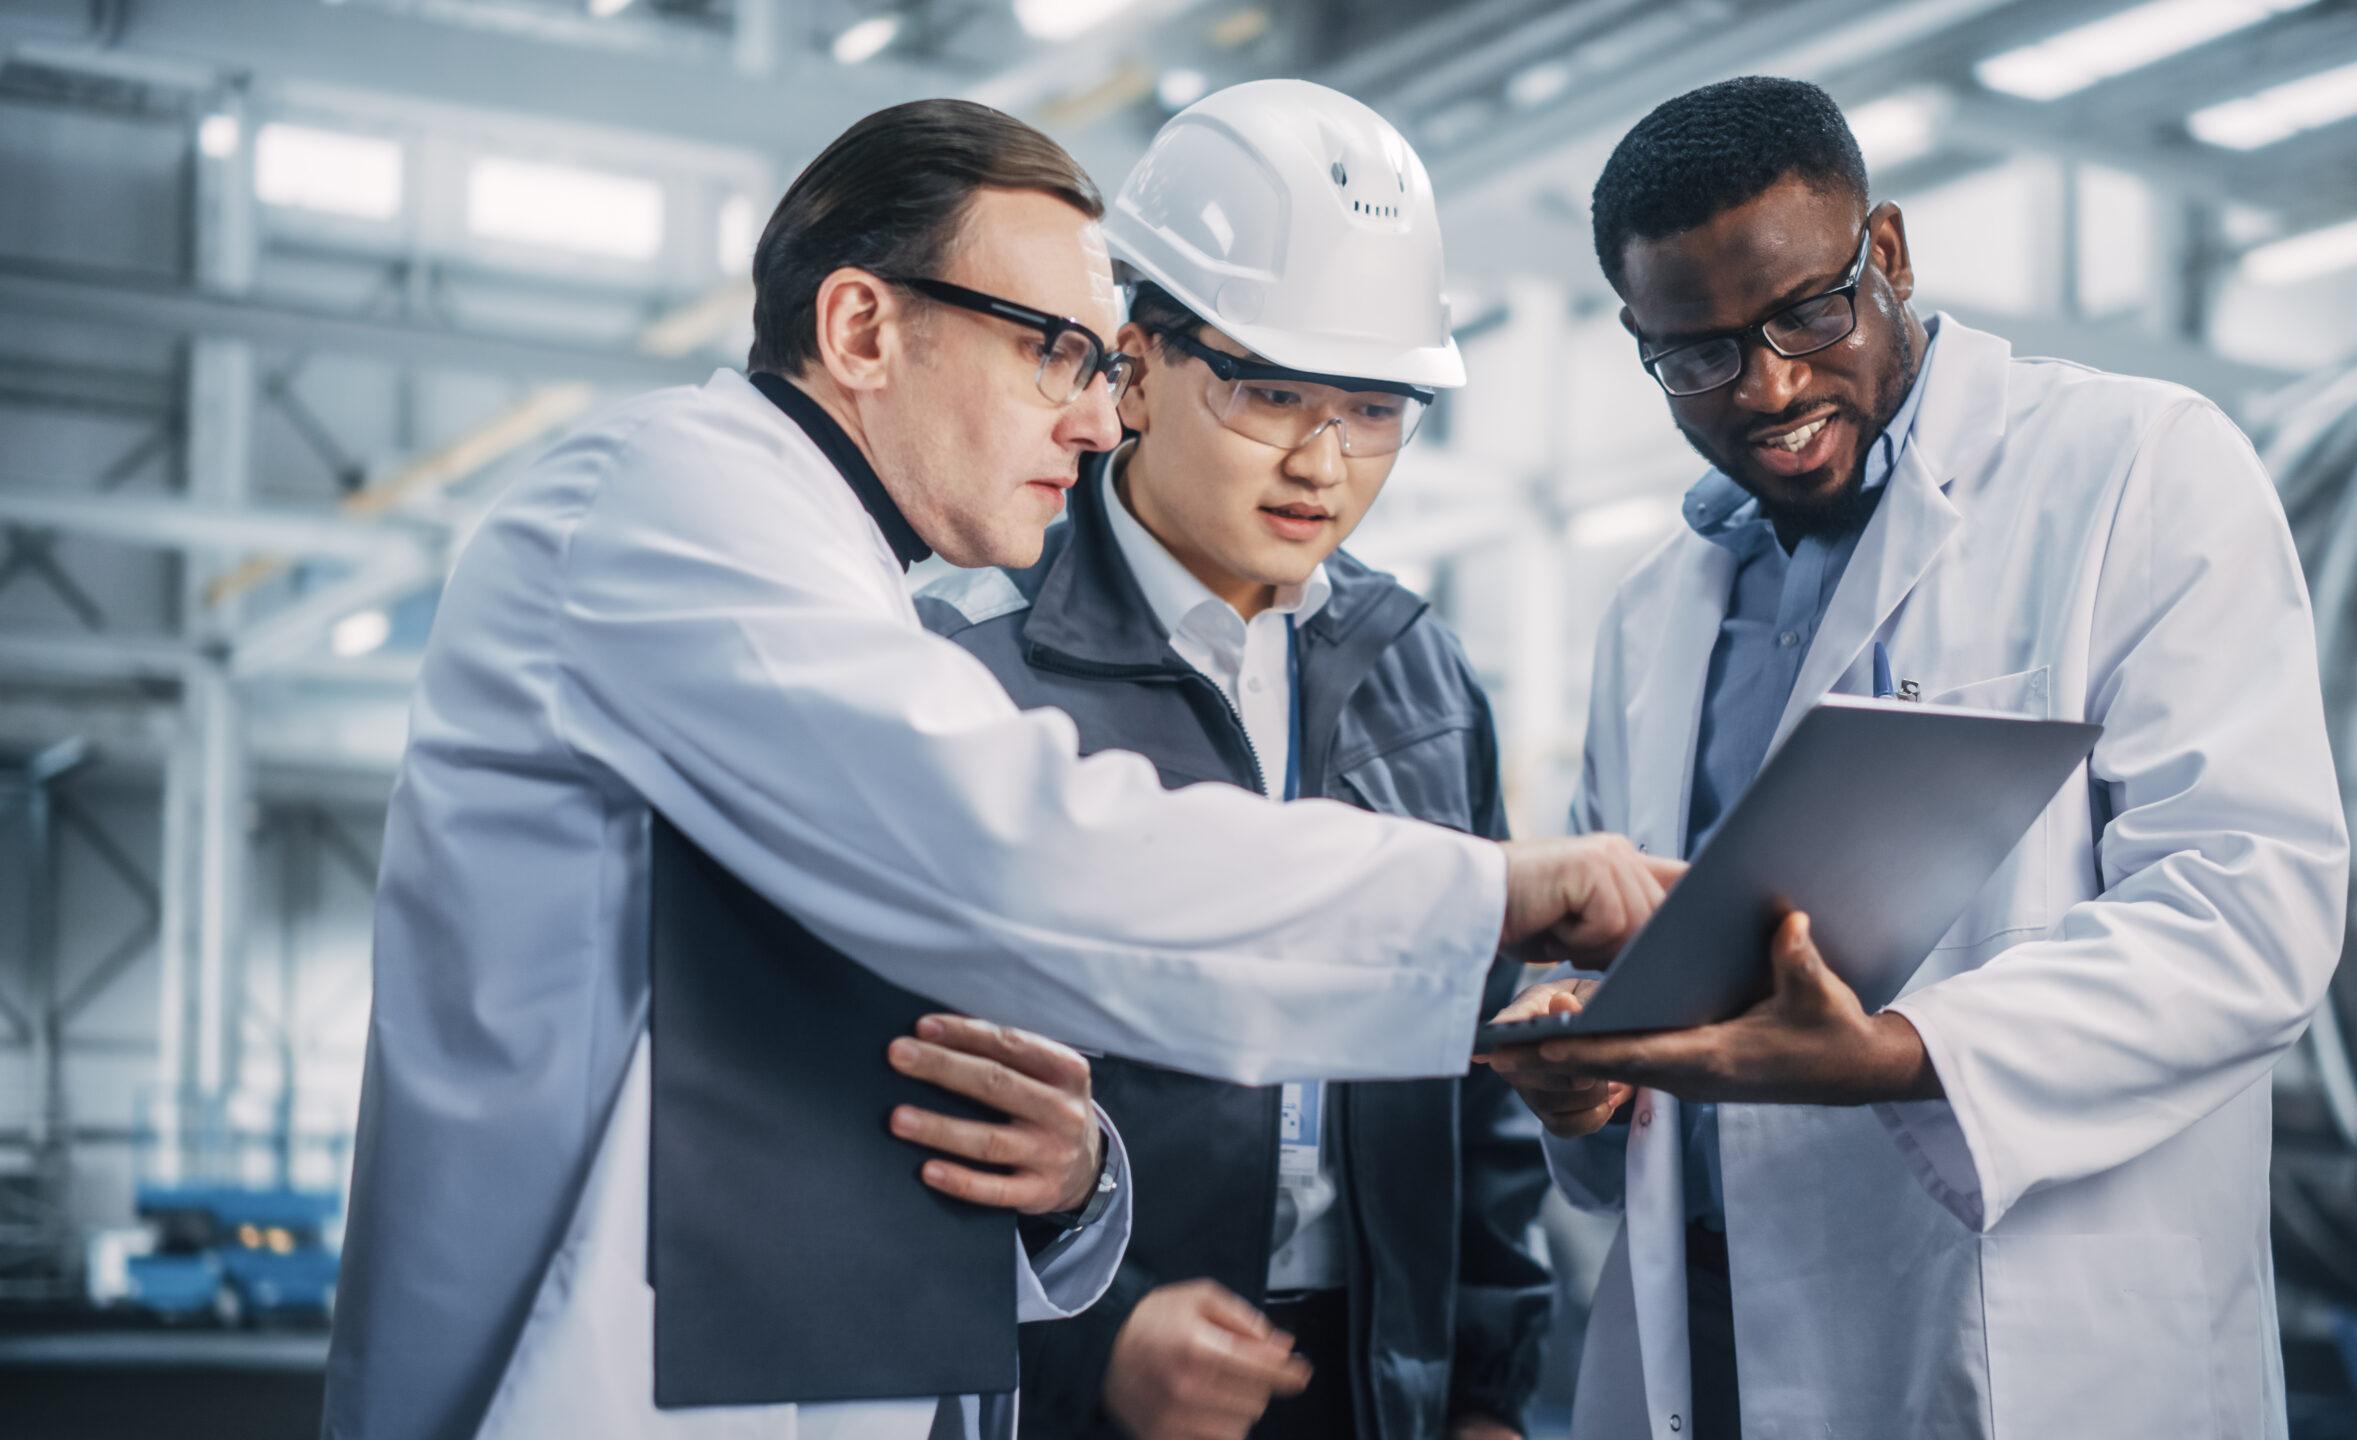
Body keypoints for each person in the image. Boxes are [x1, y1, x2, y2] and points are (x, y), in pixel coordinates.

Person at [323, 98, 1679, 1440]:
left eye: (1102, 368)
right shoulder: (671, 513)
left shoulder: (835, 573)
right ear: (863, 328)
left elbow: (913, 1054)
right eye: (1060, 356)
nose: (1098, 422)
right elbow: (1022, 858)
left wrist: (1083, 1188)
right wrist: (1494, 893)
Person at [1484, 76, 2350, 1440]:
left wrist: (1897, 1052)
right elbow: (1635, 954)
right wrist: (1582, 1065)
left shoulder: (2137, 470)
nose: (1769, 385)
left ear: (1885, 253)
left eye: (1806, 313)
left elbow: (2251, 913)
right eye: (1697, 353)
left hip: (2019, 1351)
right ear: (1637, 340)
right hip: (1702, 1353)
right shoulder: (1654, 610)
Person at [919, 81, 1549, 1440]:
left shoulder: (1417, 676)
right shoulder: (968, 667)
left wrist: (1487, 1394)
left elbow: (1479, 1079)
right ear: (1135, 368)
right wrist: (1091, 1339)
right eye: (1270, 393)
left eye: (1375, 409)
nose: (1323, 464)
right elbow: (873, 1100)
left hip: (1376, 1381)